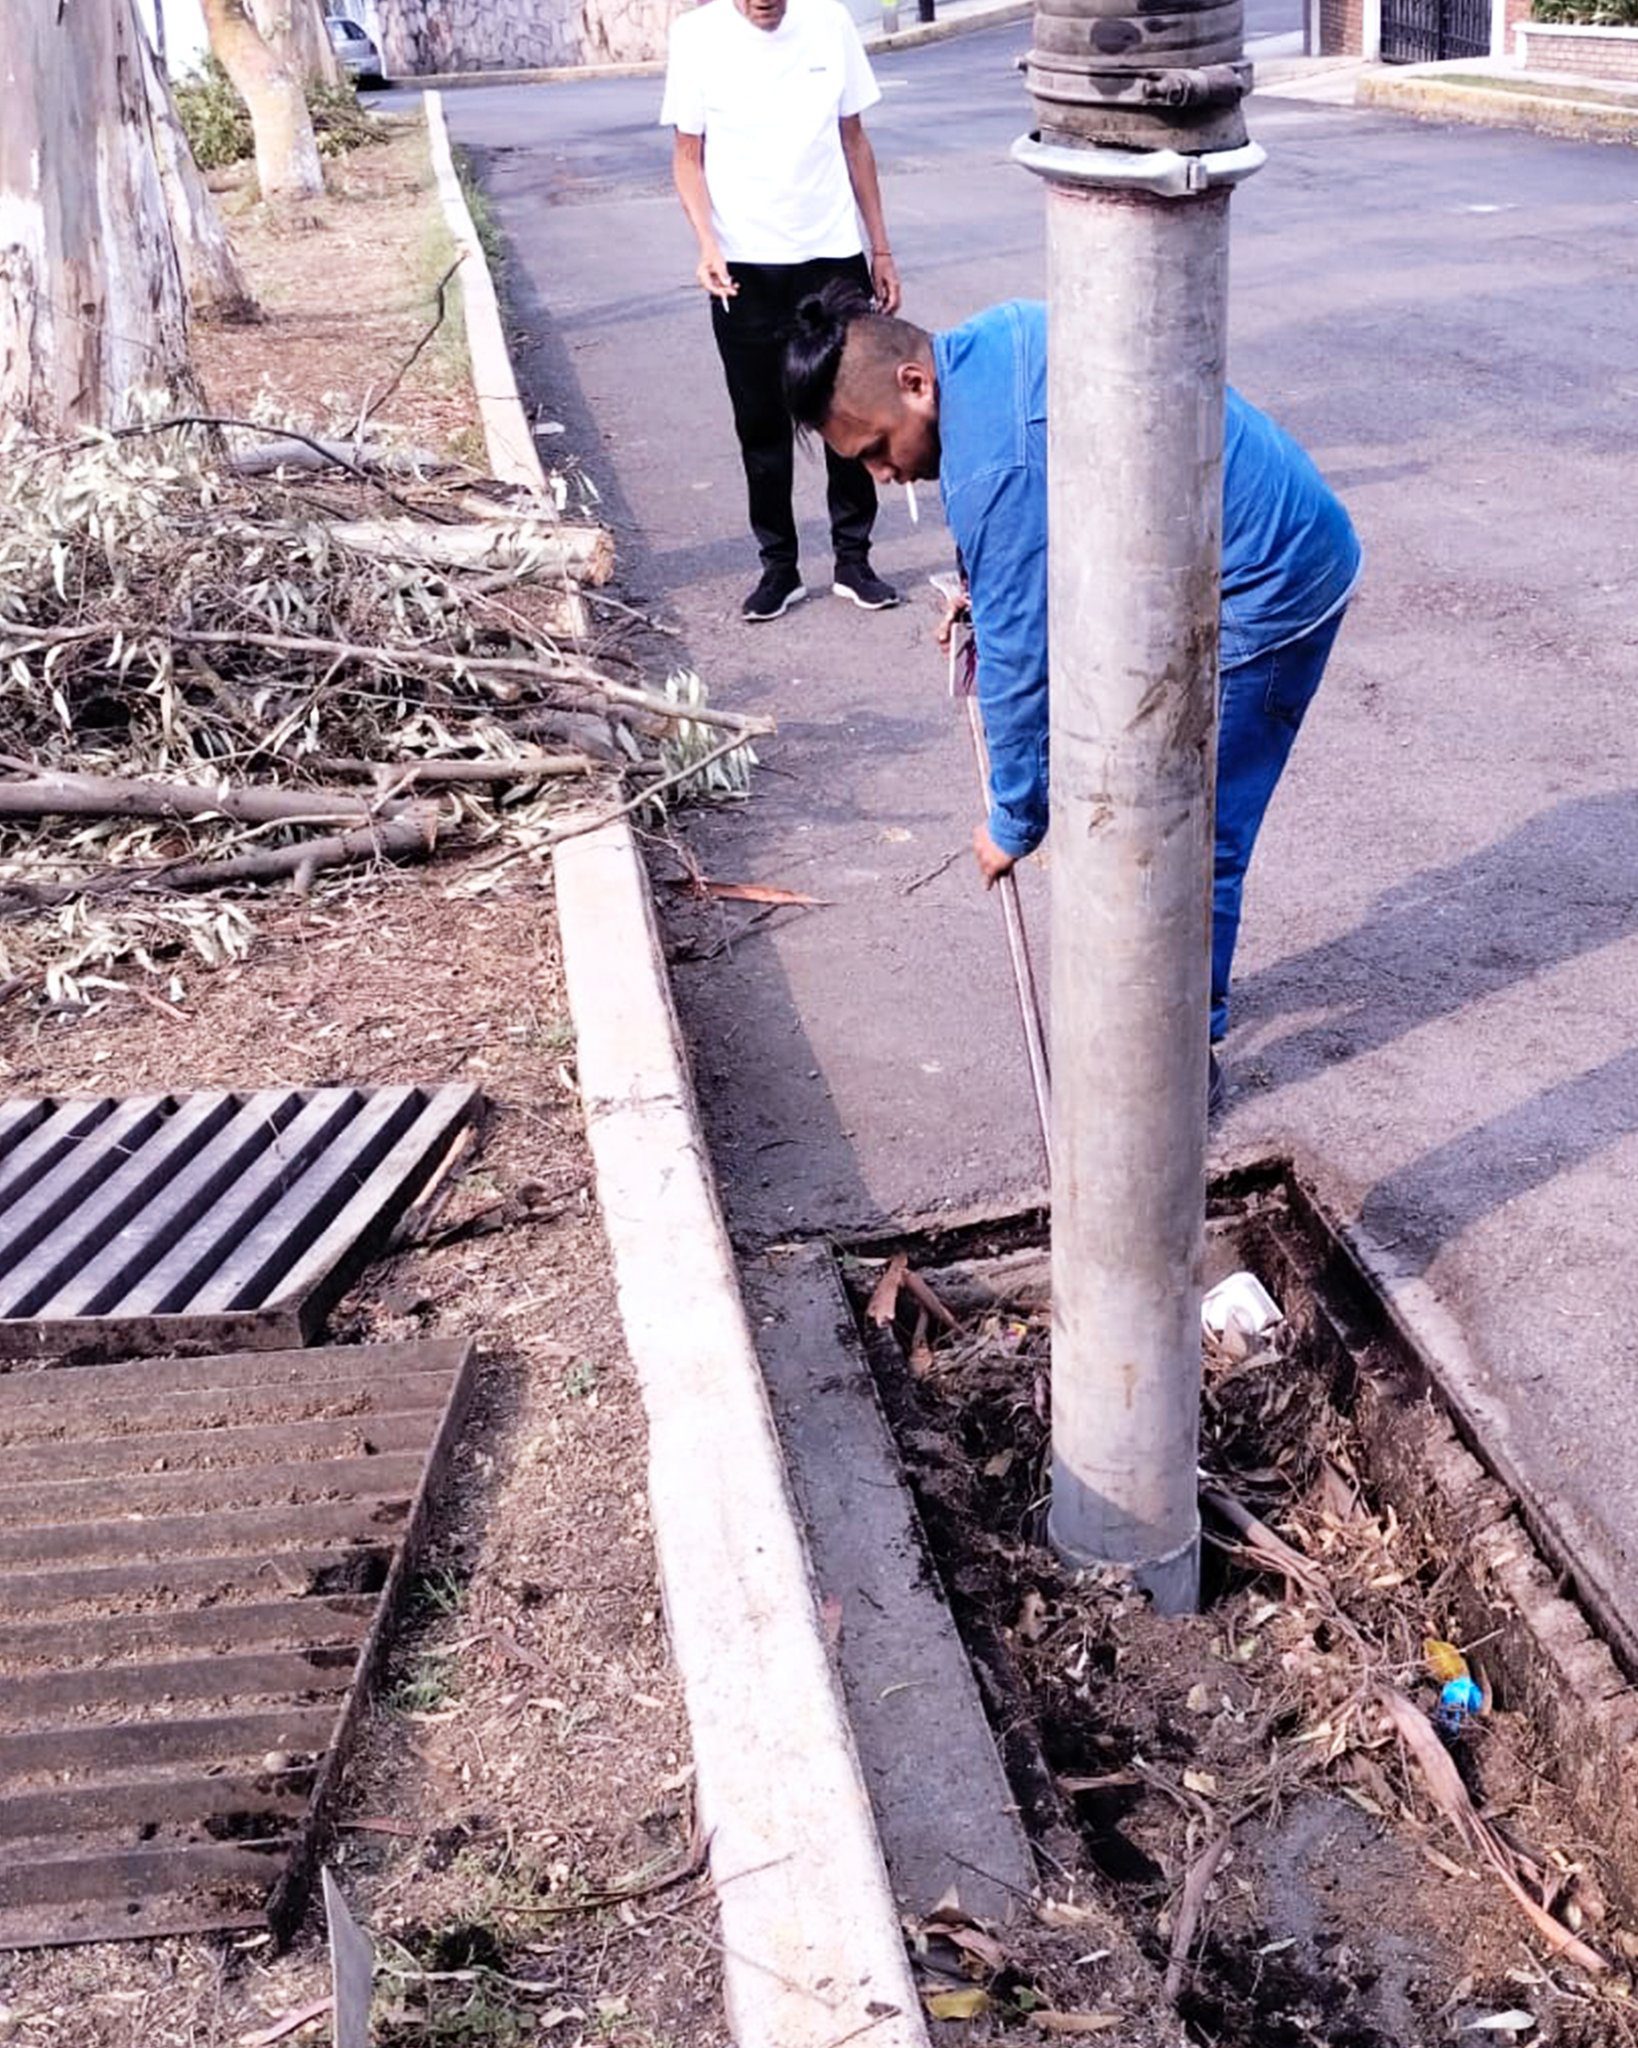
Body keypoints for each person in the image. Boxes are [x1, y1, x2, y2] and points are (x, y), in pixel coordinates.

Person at [783, 286, 1362, 1107]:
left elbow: (1021, 668)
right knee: (1152, 802)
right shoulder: (994, 342)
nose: (884, 474)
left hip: (1269, 583)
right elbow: (1041, 529)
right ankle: (1156, 1017)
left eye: (878, 448)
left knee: (1194, 831)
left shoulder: (995, 464)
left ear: (914, 383)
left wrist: (1013, 821)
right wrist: (984, 591)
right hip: (1218, 546)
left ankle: (1175, 1066)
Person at [661, 0, 902, 623]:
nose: (763, 3)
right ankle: (779, 568)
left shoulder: (831, 21)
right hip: (744, 268)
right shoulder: (696, 36)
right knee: (761, 425)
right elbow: (688, 156)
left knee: (849, 413)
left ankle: (854, 559)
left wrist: (880, 247)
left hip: (833, 258)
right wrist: (707, 245)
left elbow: (855, 141)